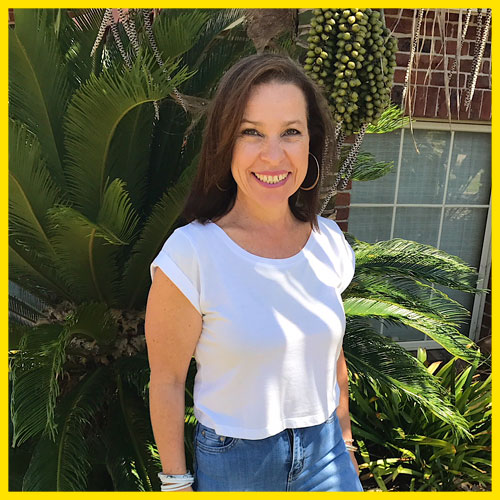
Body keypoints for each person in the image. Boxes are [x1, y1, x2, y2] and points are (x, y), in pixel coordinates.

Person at [145, 53, 363, 492]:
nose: (273, 154)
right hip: (238, 465)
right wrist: (176, 483)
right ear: (226, 143)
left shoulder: (327, 242)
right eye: (252, 133)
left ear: (310, 143)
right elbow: (167, 381)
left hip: (327, 456)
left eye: (290, 132)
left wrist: (346, 442)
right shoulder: (191, 254)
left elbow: (331, 355)